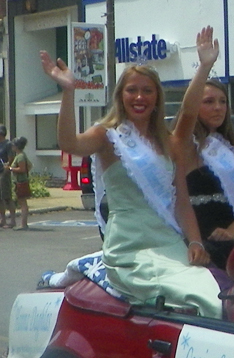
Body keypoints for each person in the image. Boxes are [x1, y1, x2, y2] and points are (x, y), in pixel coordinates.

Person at [39, 26, 222, 318]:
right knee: (198, 297)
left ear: (156, 98)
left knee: (212, 293)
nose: (139, 97)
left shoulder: (168, 142)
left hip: (168, 241)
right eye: (132, 90)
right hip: (130, 245)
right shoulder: (108, 136)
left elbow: (181, 202)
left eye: (147, 90)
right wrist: (68, 92)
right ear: (121, 96)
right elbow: (69, 142)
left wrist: (196, 241)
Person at [171, 76, 234, 269]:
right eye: (209, 102)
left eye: (222, 101)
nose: (218, 107)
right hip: (195, 242)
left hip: (232, 241)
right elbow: (186, 113)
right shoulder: (184, 148)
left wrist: (232, 232)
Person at [9, 136, 31, 230]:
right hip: (21, 181)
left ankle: (23, 224)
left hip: (21, 182)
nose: (12, 146)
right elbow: (29, 165)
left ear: (17, 146)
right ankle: (23, 223)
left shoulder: (20, 156)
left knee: (22, 203)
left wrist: (11, 169)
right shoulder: (21, 155)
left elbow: (22, 169)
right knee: (22, 202)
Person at [0, 125, 16, 228]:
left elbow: (11, 158)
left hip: (4, 173)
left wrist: (7, 167)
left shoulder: (8, 144)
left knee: (6, 197)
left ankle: (13, 220)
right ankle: (3, 219)